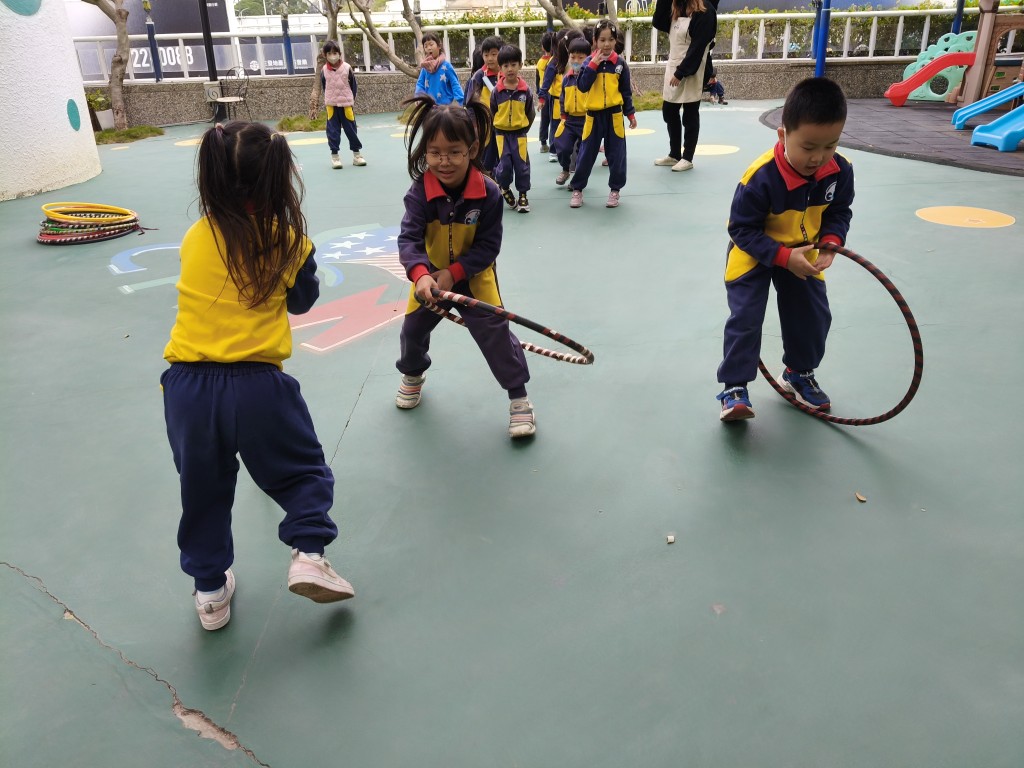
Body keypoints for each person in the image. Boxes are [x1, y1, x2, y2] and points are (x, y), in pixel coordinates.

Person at [162, 121, 355, 631]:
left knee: (202, 490)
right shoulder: (288, 242)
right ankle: (308, 553)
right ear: (276, 180)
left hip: (187, 387)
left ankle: (210, 592)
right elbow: (302, 301)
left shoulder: (195, 236)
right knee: (301, 472)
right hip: (258, 386)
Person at [394, 96, 536, 439]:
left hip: (474, 277)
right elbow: (409, 239)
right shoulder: (419, 193)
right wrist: (422, 274)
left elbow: (488, 246)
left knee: (496, 334)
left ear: (472, 150)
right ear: (425, 151)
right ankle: (413, 373)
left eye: (454, 152)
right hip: (430, 278)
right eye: (435, 152)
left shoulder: (488, 193)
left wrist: (455, 273)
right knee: (412, 332)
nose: (443, 161)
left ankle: (519, 398)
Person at [715, 78, 854, 421]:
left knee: (813, 315)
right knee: (746, 317)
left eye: (830, 145)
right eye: (808, 147)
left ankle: (798, 373)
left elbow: (839, 211)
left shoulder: (840, 171)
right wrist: (780, 256)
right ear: (782, 135)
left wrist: (832, 242)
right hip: (754, 251)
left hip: (803, 253)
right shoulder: (760, 177)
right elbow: (740, 229)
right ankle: (734, 387)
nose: (818, 157)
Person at [570, 20, 637, 209]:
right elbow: (582, 86)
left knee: (617, 154)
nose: (607, 44)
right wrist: (592, 66)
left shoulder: (620, 64)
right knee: (586, 154)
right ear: (595, 41)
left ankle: (615, 190)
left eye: (611, 40)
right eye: (602, 40)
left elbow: (625, 92)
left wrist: (630, 114)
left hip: (614, 116)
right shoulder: (588, 62)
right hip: (593, 116)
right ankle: (577, 189)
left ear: (616, 41)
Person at [652, 0, 717, 172]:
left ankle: (687, 157)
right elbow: (658, 21)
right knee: (669, 110)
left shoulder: (705, 11)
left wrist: (681, 72)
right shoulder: (677, 6)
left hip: (695, 67)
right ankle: (674, 154)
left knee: (690, 113)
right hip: (674, 64)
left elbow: (698, 46)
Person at [491, 44, 536, 213]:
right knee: (504, 166)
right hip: (501, 135)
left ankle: (523, 195)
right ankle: (504, 187)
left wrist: (523, 128)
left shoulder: (525, 91)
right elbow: (492, 111)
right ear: (500, 68)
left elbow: (530, 112)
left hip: (519, 135)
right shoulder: (497, 92)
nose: (510, 69)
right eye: (505, 65)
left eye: (513, 64)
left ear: (520, 65)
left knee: (522, 165)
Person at [552, 36, 592, 187]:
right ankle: (565, 169)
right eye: (573, 57)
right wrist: (563, 115)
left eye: (580, 58)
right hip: (569, 120)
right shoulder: (566, 79)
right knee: (561, 145)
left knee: (583, 152)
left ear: (588, 58)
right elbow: (562, 98)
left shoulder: (589, 78)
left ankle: (577, 180)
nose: (576, 61)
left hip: (586, 119)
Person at [321, 40, 365, 169]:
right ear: (325, 55)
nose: (332, 56)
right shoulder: (324, 70)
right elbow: (324, 86)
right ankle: (335, 157)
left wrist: (351, 100)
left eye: (335, 53)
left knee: (351, 130)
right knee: (333, 132)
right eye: (329, 53)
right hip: (331, 106)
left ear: (339, 54)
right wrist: (330, 99)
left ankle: (357, 155)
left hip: (346, 105)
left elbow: (353, 86)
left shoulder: (347, 68)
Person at [464, 35, 505, 174]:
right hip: (485, 124)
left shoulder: (506, 74)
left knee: (504, 155)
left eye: (494, 54)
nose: (490, 58)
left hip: (503, 124)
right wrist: (474, 125)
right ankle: (486, 179)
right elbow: (471, 103)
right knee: (487, 155)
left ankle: (501, 180)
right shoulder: (479, 76)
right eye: (486, 55)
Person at [415, 32, 464, 105]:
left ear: (439, 46)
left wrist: (462, 102)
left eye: (431, 44)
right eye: (426, 46)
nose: (429, 48)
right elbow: (420, 84)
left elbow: (455, 85)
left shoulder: (447, 66)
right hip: (429, 106)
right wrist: (418, 97)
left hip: (444, 107)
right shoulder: (425, 68)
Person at [536, 31, 556, 153]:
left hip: (543, 94)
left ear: (543, 47)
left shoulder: (540, 62)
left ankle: (543, 143)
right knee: (554, 120)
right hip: (553, 93)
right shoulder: (556, 61)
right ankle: (554, 144)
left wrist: (538, 92)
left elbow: (537, 78)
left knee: (544, 120)